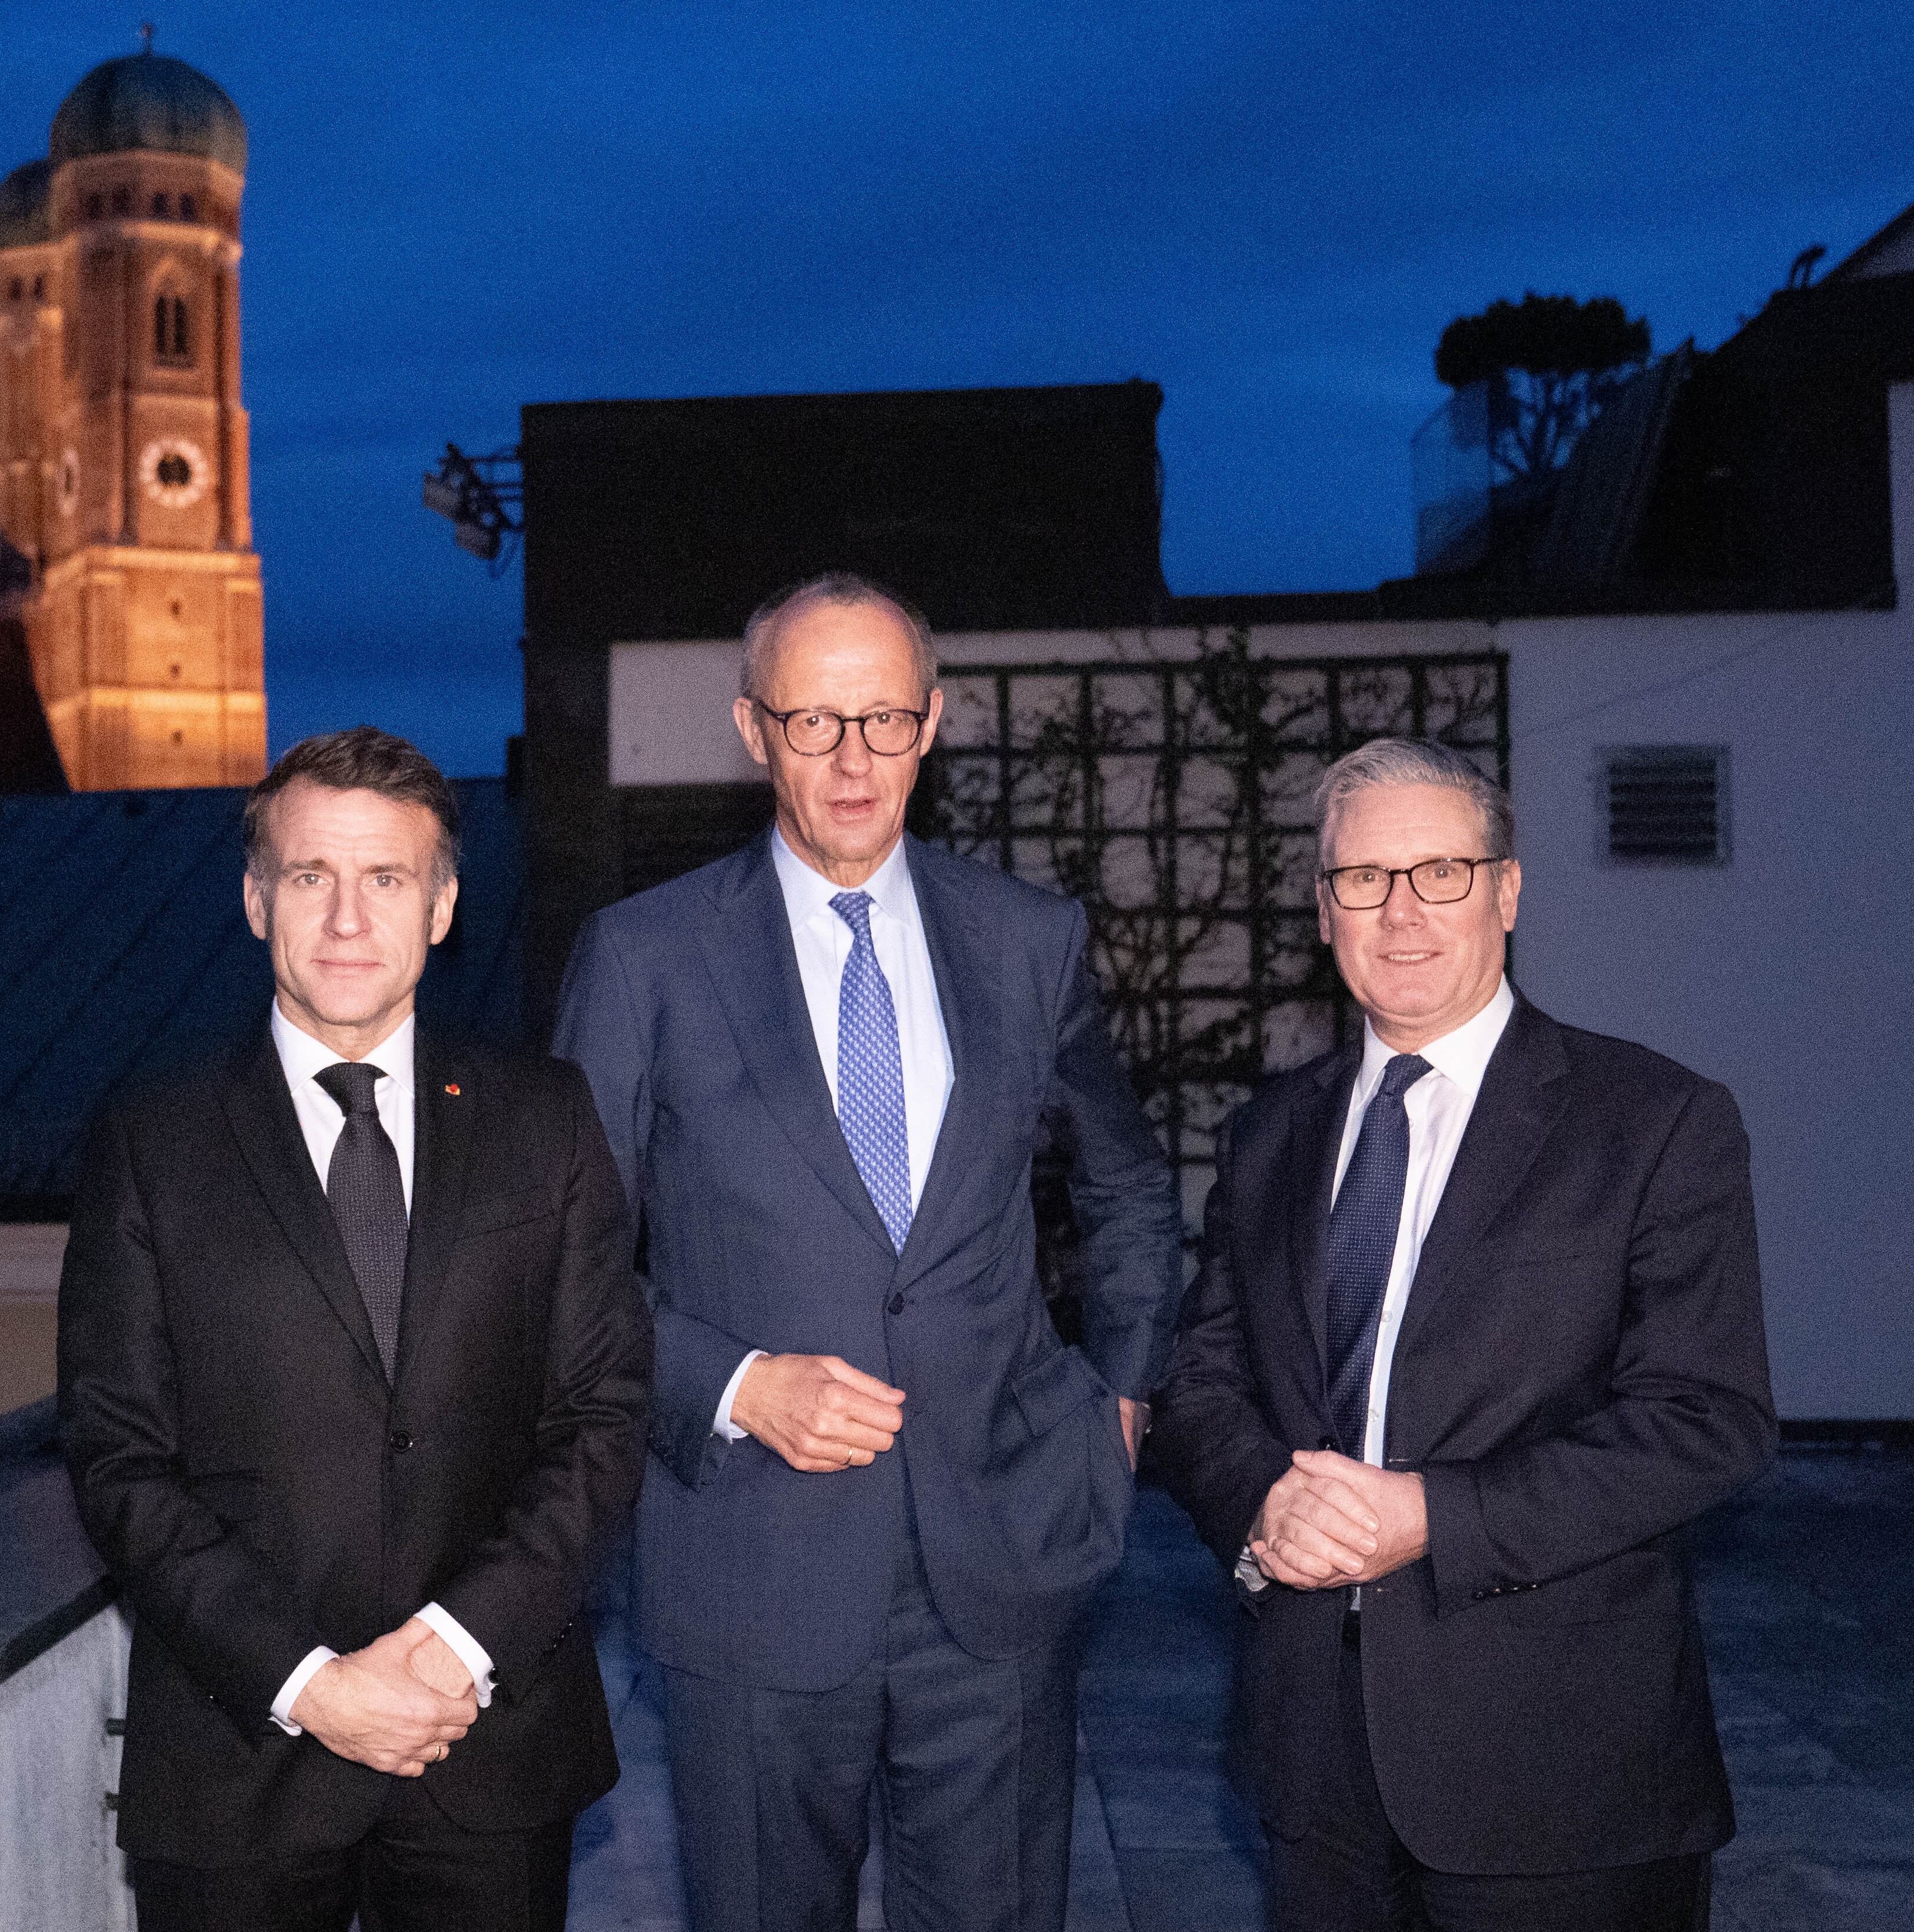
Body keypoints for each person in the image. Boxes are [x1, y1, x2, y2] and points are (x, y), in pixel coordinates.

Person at [554, 574, 1184, 1932]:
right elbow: (565, 1267)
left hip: (1003, 1566)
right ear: (752, 728)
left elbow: (1129, 1183)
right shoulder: (643, 957)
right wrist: (732, 1385)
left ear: (934, 723)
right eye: (815, 720)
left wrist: (1117, 1406)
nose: (852, 760)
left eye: (885, 719)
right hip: (753, 1580)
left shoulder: (1028, 941)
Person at [1148, 737, 1776, 1931]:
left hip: (1559, 1771)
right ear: (1323, 908)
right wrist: (1260, 1506)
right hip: (1313, 1759)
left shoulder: (1652, 1119)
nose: (1400, 913)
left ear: (1507, 889)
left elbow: (1709, 1420)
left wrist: (1431, 1515)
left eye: (1439, 870)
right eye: (1362, 879)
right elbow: (1202, 1380)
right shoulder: (1272, 1133)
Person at [58, 726, 650, 1932]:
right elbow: (120, 1454)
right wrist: (310, 1684)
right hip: (238, 1757)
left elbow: (601, 1419)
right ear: (255, 898)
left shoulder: (548, 1120)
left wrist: (447, 1650)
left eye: (386, 879)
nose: (345, 918)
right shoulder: (153, 1138)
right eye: (310, 877)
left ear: (440, 908)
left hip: (484, 1742)